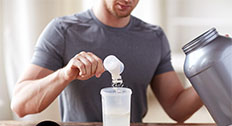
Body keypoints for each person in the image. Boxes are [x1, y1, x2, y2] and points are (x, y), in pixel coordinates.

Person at [11, 0, 203, 123]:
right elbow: (20, 105)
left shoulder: (154, 37)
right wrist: (65, 74)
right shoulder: (63, 31)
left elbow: (178, 109)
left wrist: (212, 73)